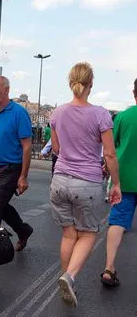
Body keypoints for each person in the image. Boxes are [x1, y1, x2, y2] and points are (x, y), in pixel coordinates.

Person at [49, 62, 121, 307]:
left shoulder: (57, 113)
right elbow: (110, 155)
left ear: (71, 83)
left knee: (69, 234)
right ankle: (69, 276)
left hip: (59, 181)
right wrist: (116, 184)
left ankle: (67, 279)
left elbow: (56, 149)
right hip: (87, 182)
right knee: (89, 233)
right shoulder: (100, 114)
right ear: (91, 83)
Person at [0, 75, 34, 251]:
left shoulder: (18, 113)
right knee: (1, 204)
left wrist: (23, 176)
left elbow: (27, 146)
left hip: (11, 167)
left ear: (6, 90)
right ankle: (23, 230)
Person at [100, 79, 137, 287]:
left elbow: (113, 148)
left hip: (124, 178)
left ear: (134, 92)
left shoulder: (123, 116)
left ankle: (109, 267)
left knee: (118, 222)